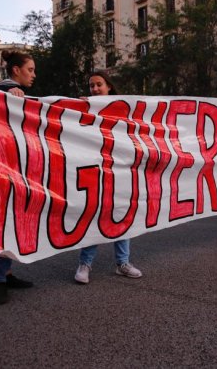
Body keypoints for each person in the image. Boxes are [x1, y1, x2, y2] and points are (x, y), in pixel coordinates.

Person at [74, 70, 143, 284]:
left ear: (109, 86)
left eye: (99, 85)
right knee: (94, 214)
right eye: (91, 85)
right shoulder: (84, 109)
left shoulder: (123, 109)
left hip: (120, 171)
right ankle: (85, 264)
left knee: (122, 214)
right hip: (95, 170)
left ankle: (123, 262)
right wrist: (78, 108)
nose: (95, 89)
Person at [0, 50, 36, 305]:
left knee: (10, 224)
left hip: (14, 170)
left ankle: (5, 273)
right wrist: (9, 97)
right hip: (1, 171)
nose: (34, 75)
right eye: (30, 70)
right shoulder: (5, 93)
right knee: (1, 225)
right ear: (16, 71)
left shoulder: (15, 94)